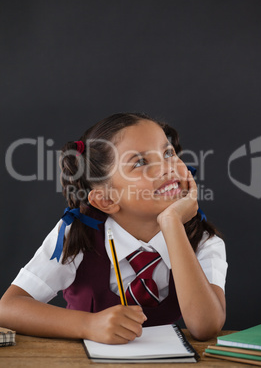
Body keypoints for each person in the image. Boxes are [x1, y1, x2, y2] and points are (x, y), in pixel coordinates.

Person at [0, 112, 227, 344]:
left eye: (168, 153)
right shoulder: (77, 233)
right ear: (107, 200)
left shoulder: (202, 239)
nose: (167, 168)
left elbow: (205, 328)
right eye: (140, 162)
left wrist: (172, 224)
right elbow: (7, 308)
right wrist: (87, 325)